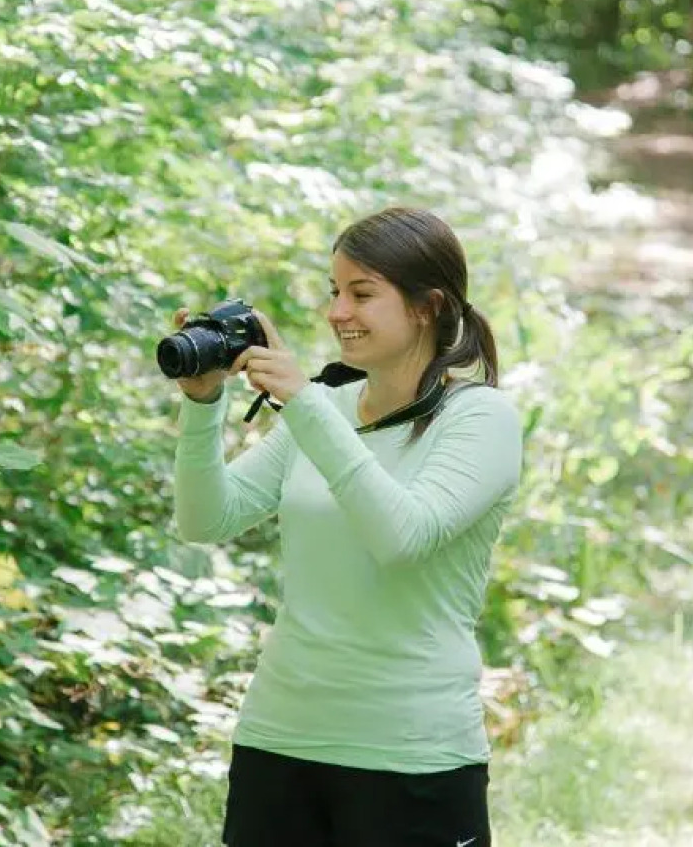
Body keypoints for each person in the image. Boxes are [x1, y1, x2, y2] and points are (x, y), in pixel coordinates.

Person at [169, 206, 524, 847]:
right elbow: (205, 519)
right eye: (335, 291)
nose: (338, 312)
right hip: (280, 737)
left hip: (412, 754)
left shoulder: (482, 421)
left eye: (362, 293)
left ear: (428, 306)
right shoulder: (324, 410)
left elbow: (403, 536)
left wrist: (302, 403)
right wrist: (203, 404)